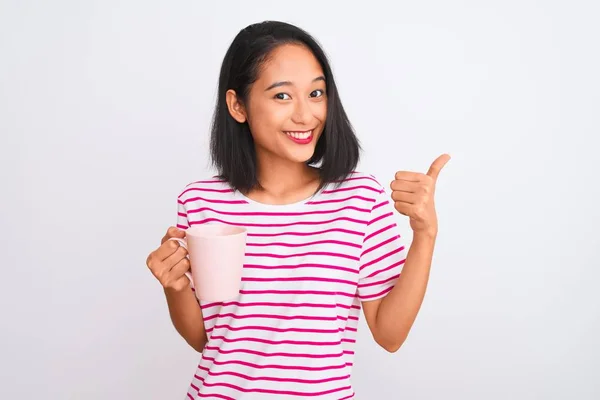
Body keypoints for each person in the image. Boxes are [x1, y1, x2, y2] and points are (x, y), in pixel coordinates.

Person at [145, 20, 450, 400]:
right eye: (282, 96)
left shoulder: (359, 199)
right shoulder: (201, 202)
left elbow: (390, 335)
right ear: (237, 105)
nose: (306, 116)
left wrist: (425, 234)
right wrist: (175, 287)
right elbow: (207, 339)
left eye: (316, 93)